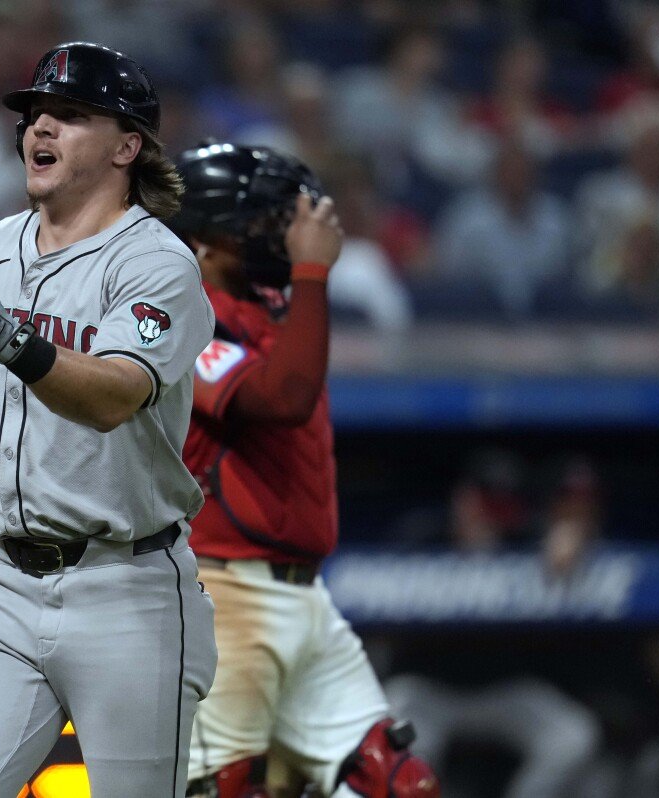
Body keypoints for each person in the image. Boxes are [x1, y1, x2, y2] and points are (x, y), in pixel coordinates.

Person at [0, 41, 220, 797]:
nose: (42, 128)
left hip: (128, 590)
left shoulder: (155, 263)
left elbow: (113, 396)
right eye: (36, 114)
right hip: (4, 586)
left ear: (126, 146)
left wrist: (10, 338)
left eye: (70, 116)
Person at [170, 143, 439, 798]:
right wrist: (315, 272)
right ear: (203, 236)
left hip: (305, 596)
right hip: (223, 590)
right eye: (257, 221)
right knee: (225, 789)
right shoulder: (171, 308)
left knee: (398, 785)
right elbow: (279, 400)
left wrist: (306, 278)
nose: (276, 234)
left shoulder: (269, 301)